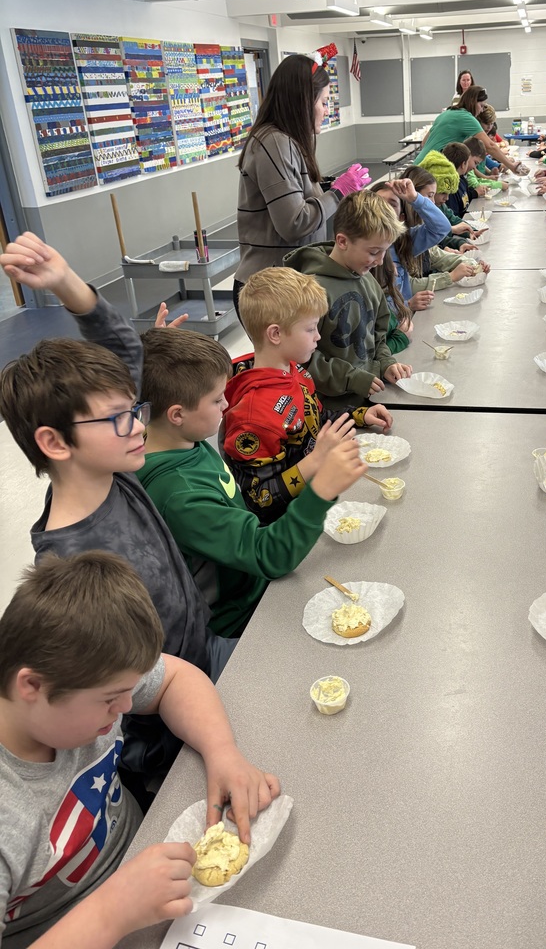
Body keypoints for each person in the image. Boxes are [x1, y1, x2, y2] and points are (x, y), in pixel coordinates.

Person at [0, 549, 279, 948]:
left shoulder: (83, 670)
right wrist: (111, 911)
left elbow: (174, 679)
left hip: (147, 865)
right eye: (111, 699)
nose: (127, 709)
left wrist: (223, 752)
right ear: (31, 686)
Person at [0, 233, 232, 684]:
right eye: (119, 419)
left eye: (134, 410)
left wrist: (64, 280)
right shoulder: (69, 567)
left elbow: (126, 349)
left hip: (206, 647)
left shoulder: (110, 470)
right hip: (171, 709)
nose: (141, 427)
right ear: (55, 443)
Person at [137, 326, 368, 638]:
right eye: (217, 399)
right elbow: (268, 557)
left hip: (257, 576)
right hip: (243, 617)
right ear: (176, 414)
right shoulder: (181, 496)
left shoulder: (170, 435)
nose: (226, 406)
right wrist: (321, 490)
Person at [220, 267, 392, 524]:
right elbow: (258, 499)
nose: (319, 336)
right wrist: (316, 461)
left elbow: (316, 418)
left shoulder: (292, 369)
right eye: (310, 328)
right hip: (290, 525)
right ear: (276, 334)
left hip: (316, 496)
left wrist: (359, 415)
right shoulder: (253, 417)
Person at [234, 47, 370, 318]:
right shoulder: (274, 143)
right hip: (270, 290)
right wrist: (337, 192)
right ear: (303, 102)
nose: (325, 110)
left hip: (288, 283)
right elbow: (294, 223)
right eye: (322, 102)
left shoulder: (286, 142)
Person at [286, 191, 412, 402]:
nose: (380, 262)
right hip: (326, 409)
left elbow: (378, 336)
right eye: (373, 252)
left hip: (367, 398)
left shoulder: (368, 280)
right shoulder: (310, 290)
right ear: (342, 241)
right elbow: (298, 359)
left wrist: (386, 363)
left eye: (384, 252)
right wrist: (350, 378)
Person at [370, 176, 450, 310]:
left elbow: (441, 228)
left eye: (392, 204)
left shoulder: (403, 241)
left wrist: (415, 199)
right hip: (391, 324)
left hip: (405, 322)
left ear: (401, 217)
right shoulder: (361, 249)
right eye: (379, 202)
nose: (383, 209)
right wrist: (408, 305)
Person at [414, 86, 527, 174]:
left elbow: (424, 142)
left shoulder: (446, 114)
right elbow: (490, 146)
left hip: (418, 166)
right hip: (430, 170)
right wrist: (512, 166)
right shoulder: (467, 117)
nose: (482, 110)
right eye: (481, 106)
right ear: (473, 102)